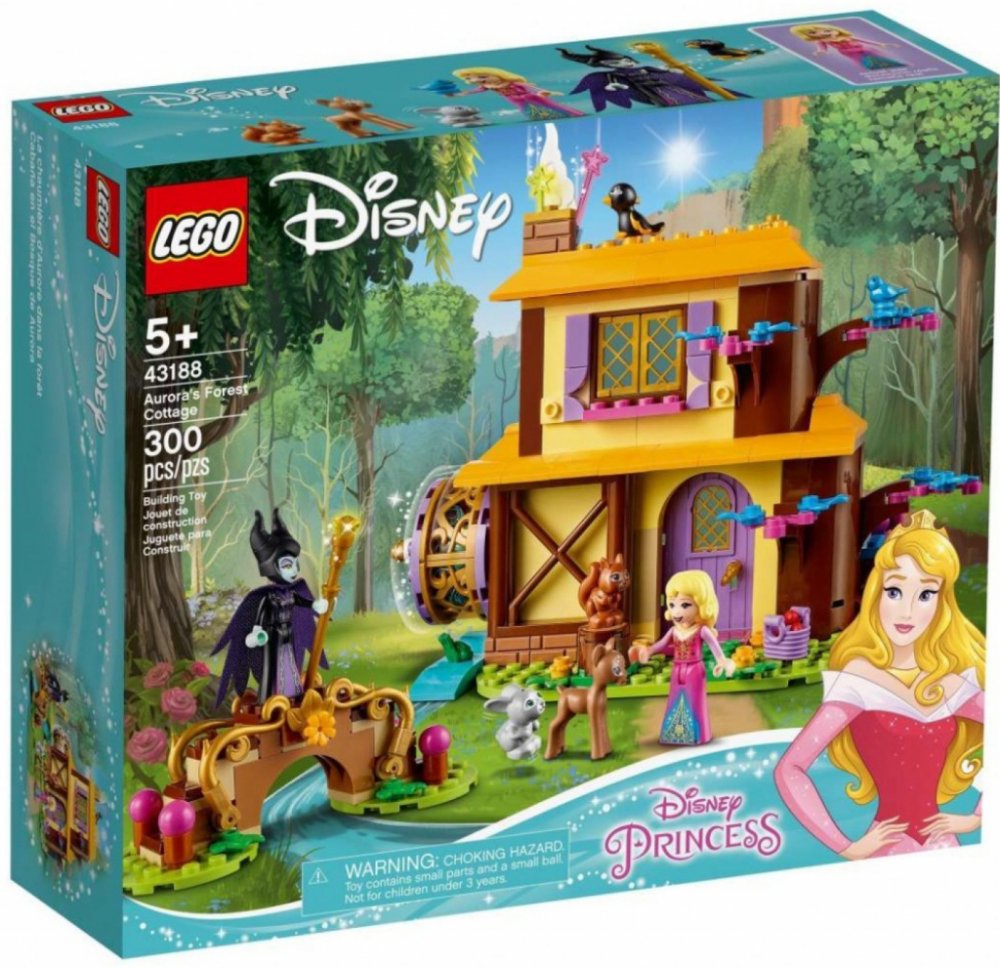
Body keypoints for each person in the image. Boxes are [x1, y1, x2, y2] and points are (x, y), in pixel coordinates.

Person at [775, 510, 984, 858]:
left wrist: (977, 817)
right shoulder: (860, 680)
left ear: (942, 604)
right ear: (876, 593)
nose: (906, 612)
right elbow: (790, 769)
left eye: (925, 595)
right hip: (887, 849)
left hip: (942, 846)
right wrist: (847, 847)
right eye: (895, 591)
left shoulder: (950, 683)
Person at [636, 570, 736, 745]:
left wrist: (722, 661)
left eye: (685, 605)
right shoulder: (674, 630)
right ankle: (673, 734)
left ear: (701, 606)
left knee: (694, 701)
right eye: (672, 604)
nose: (676, 611)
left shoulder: (701, 630)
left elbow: (715, 647)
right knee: (674, 699)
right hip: (677, 669)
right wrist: (649, 651)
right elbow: (661, 644)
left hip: (694, 669)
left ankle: (696, 735)